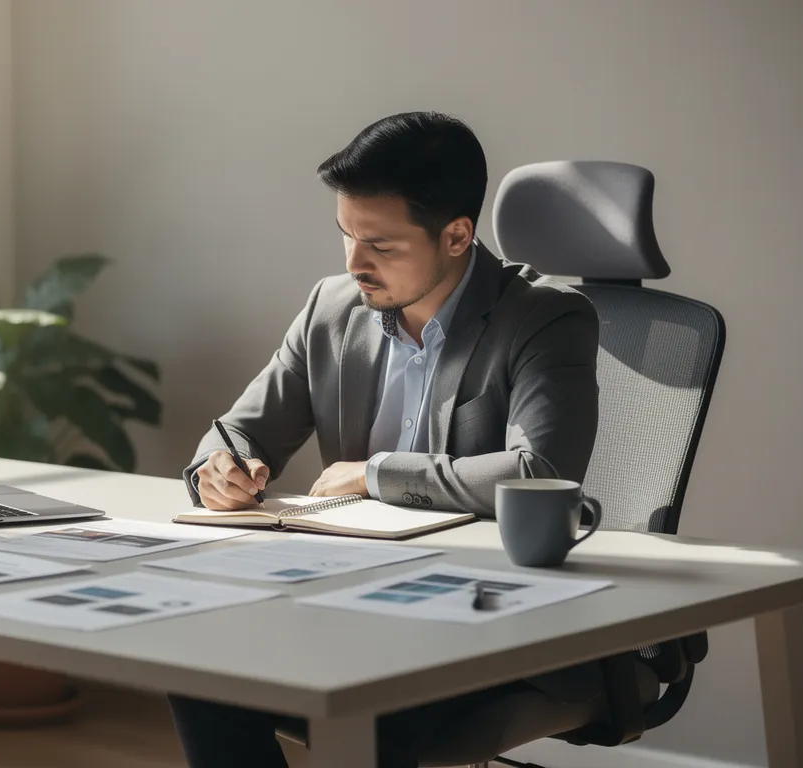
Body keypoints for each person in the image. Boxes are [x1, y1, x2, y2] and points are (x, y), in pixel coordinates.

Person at [170, 112, 604, 767]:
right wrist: (218, 469)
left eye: (380, 244)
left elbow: (538, 467)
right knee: (198, 658)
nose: (354, 263)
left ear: (457, 235)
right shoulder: (333, 308)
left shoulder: (545, 317)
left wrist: (376, 473)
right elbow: (238, 430)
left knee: (379, 707)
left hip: (482, 613)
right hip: (350, 600)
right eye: (345, 235)